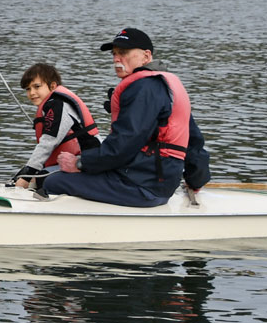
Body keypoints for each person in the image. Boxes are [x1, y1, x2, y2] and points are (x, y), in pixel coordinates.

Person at [40, 28, 210, 207]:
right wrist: (196, 181)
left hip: (141, 187)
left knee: (53, 181)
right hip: (159, 185)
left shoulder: (143, 88)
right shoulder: (168, 87)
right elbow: (194, 143)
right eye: (114, 54)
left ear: (146, 56)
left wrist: (81, 163)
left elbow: (125, 142)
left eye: (124, 53)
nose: (116, 59)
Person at [12, 63, 101, 189]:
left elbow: (48, 142)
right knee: (31, 177)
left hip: (86, 162)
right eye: (28, 89)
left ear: (52, 86)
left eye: (37, 87)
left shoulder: (57, 105)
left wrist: (27, 175)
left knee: (41, 180)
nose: (32, 93)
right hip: (72, 162)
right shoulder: (51, 105)